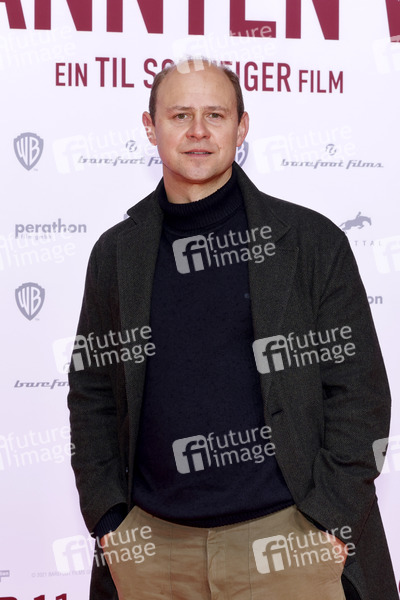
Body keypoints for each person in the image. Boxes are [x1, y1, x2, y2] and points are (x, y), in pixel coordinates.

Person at [67, 58, 398, 600]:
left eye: (215, 115)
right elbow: (93, 393)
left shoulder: (311, 243)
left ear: (242, 128)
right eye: (180, 115)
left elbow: (360, 395)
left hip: (288, 546)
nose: (198, 131)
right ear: (150, 127)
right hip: (152, 552)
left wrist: (327, 522)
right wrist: (109, 521)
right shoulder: (116, 253)